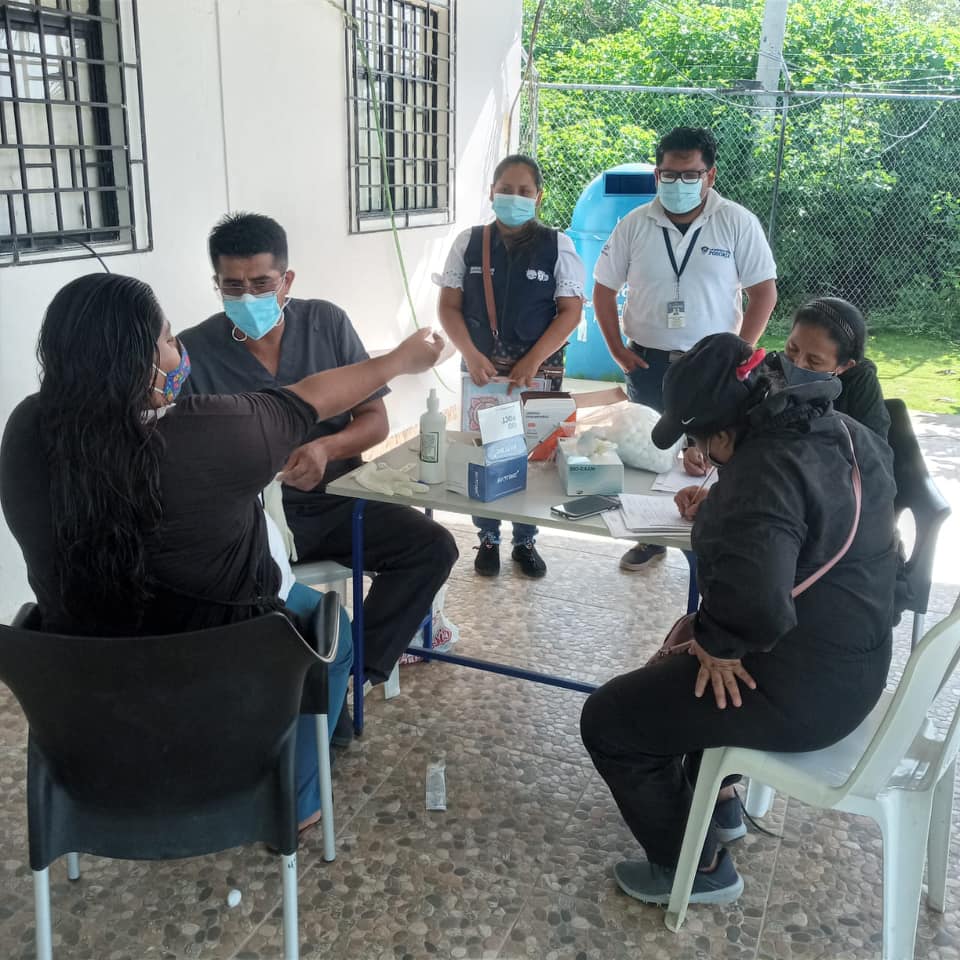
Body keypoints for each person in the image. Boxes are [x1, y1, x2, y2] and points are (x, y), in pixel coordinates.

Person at [0, 273, 444, 839]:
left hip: (89, 696)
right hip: (229, 679)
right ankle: (297, 801)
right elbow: (313, 395)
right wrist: (398, 361)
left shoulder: (24, 432)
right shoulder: (214, 433)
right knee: (335, 638)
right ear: (139, 363)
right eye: (167, 340)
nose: (177, 350)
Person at [580, 332, 898, 905]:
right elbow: (809, 525)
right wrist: (730, 510)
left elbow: (758, 605)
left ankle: (698, 869)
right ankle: (720, 804)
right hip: (861, 665)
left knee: (610, 719)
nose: (702, 455)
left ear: (725, 433)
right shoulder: (841, 430)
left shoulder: (761, 475)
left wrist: (719, 644)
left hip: (807, 693)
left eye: (701, 442)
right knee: (684, 675)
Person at [180, 213, 459, 723]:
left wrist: (327, 449)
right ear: (216, 284)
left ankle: (350, 675)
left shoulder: (325, 324)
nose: (247, 297)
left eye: (261, 283)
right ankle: (274, 699)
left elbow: (374, 420)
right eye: (232, 286)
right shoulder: (195, 351)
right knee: (229, 590)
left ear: (286, 280)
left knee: (432, 547)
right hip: (251, 520)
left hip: (337, 500)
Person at [592, 126, 778, 570]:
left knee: (713, 460)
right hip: (649, 363)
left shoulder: (737, 222)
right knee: (652, 458)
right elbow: (602, 288)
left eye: (689, 175)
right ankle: (650, 537)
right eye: (669, 175)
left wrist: (738, 357)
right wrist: (617, 349)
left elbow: (764, 293)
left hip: (716, 374)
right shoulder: (635, 224)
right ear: (657, 174)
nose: (678, 184)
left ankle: (712, 545)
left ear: (710, 175)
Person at [435, 154, 585, 579]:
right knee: (485, 453)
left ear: (539, 197)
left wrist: (532, 360)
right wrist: (469, 353)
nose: (514, 198)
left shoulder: (558, 246)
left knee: (533, 456)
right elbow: (449, 307)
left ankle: (525, 540)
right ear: (492, 193)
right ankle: (487, 538)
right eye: (506, 189)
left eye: (524, 191)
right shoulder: (468, 242)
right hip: (483, 372)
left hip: (538, 374)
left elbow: (570, 311)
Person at [683, 298, 890, 477]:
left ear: (845, 366)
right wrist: (702, 445)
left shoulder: (860, 384)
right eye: (792, 348)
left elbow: (873, 459)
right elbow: (733, 419)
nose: (797, 363)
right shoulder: (771, 370)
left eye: (814, 361)